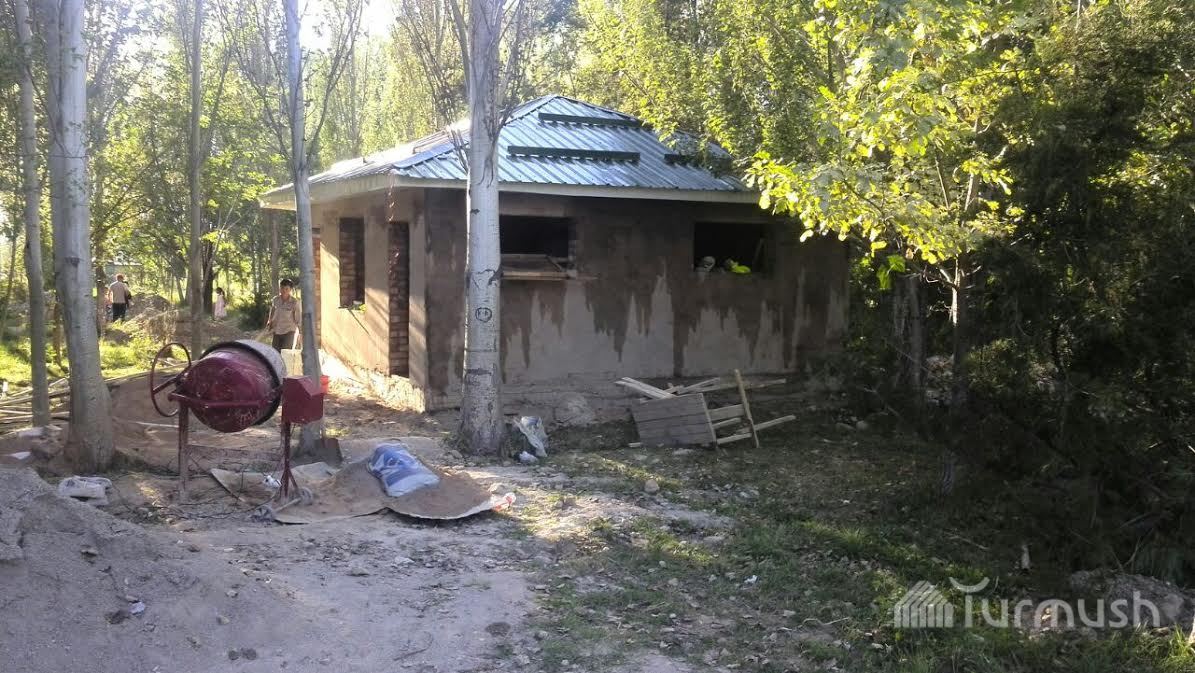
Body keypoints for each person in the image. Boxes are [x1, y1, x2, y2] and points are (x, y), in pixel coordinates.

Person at [266, 278, 300, 352]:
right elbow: (272, 311)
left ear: (290, 290)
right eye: (281, 288)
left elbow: (298, 319)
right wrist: (269, 321)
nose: (283, 291)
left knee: (285, 353)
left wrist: (300, 332)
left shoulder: (294, 302)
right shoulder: (275, 300)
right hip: (277, 330)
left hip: (289, 331)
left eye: (286, 289)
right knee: (275, 353)